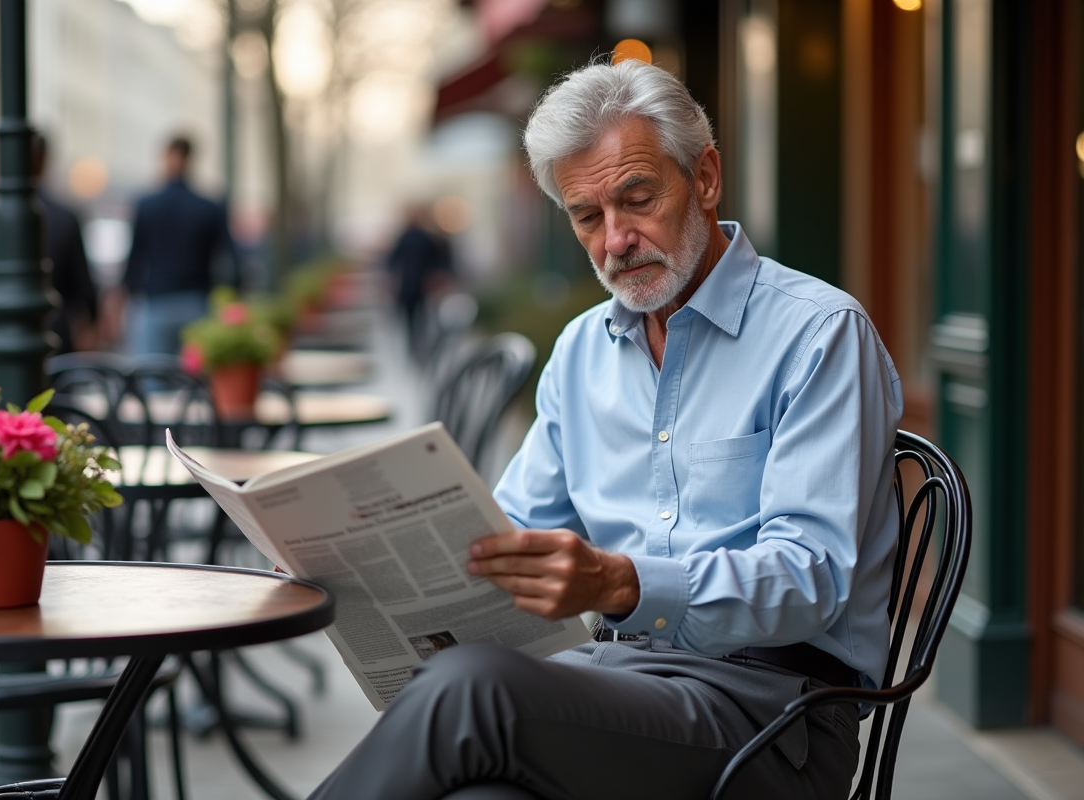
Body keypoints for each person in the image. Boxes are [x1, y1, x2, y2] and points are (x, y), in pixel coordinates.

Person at [308, 59, 904, 800]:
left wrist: (623, 583)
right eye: (587, 216)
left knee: (472, 688)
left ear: (706, 177)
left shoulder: (819, 335)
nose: (615, 238)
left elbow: (810, 576)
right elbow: (510, 532)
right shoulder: (583, 350)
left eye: (637, 199)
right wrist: (353, 561)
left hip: (774, 723)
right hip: (612, 687)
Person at [0, 131, 99, 359]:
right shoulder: (65, 218)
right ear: (43, 161)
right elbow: (83, 285)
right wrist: (91, 322)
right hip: (52, 337)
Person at [121, 135, 238, 357]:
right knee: (197, 382)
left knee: (153, 381)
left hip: (156, 303)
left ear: (166, 157)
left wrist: (129, 296)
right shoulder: (209, 207)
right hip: (197, 304)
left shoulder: (147, 205)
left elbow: (135, 259)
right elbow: (231, 260)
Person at [384, 203, 452, 356]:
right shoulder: (416, 237)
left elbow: (391, 261)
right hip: (412, 285)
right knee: (415, 320)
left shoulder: (414, 238)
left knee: (415, 319)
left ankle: (414, 349)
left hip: (414, 285)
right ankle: (414, 348)